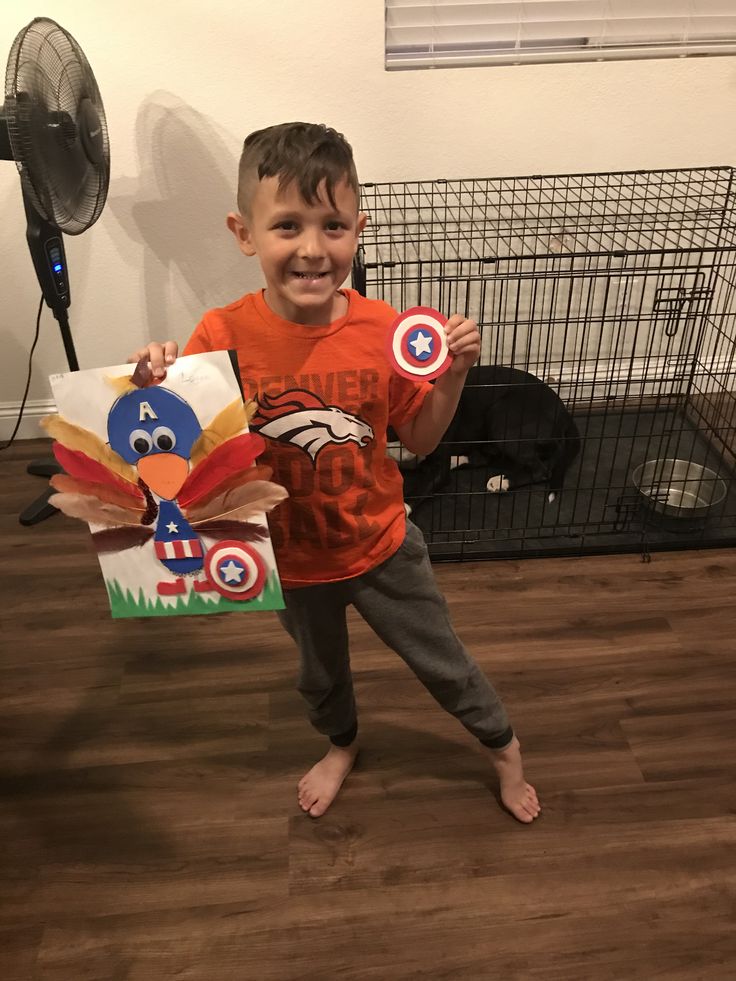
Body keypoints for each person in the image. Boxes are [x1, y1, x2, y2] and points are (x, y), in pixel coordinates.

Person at [129, 122, 540, 824]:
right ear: (244, 232)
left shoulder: (382, 329)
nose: (314, 248)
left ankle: (503, 746)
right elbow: (180, 448)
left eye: (334, 225)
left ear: (359, 229)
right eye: (288, 224)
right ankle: (341, 741)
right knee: (319, 677)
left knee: (441, 657)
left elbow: (420, 438)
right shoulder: (220, 334)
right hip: (288, 558)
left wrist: (454, 376)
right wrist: (150, 385)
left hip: (381, 545)